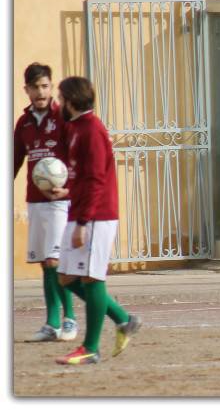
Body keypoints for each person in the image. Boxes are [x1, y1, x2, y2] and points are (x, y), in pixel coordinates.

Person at [48, 77, 140, 365]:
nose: (59, 104)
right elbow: (82, 176)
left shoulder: (92, 130)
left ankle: (90, 348)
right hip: (81, 211)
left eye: (61, 98)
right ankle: (123, 319)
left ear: (72, 100)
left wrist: (85, 223)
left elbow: (97, 179)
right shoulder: (75, 128)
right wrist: (67, 190)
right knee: (65, 276)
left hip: (96, 216)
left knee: (91, 278)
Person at [14, 63, 77, 342]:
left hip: (60, 201)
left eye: (45, 86)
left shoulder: (64, 118)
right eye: (35, 87)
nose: (40, 92)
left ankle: (69, 320)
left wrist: (70, 188)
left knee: (55, 259)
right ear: (26, 89)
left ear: (51, 87)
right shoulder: (24, 122)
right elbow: (14, 160)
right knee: (44, 262)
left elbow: (80, 157)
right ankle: (51, 323)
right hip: (36, 199)